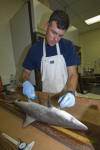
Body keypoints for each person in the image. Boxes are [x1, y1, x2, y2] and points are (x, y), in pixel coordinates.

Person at [22, 10, 81, 108]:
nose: (56, 39)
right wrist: (26, 82)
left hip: (67, 98)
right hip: (48, 99)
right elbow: (25, 72)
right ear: (46, 26)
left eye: (60, 35)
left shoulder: (68, 46)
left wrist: (70, 92)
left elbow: (73, 74)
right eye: (54, 32)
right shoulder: (35, 49)